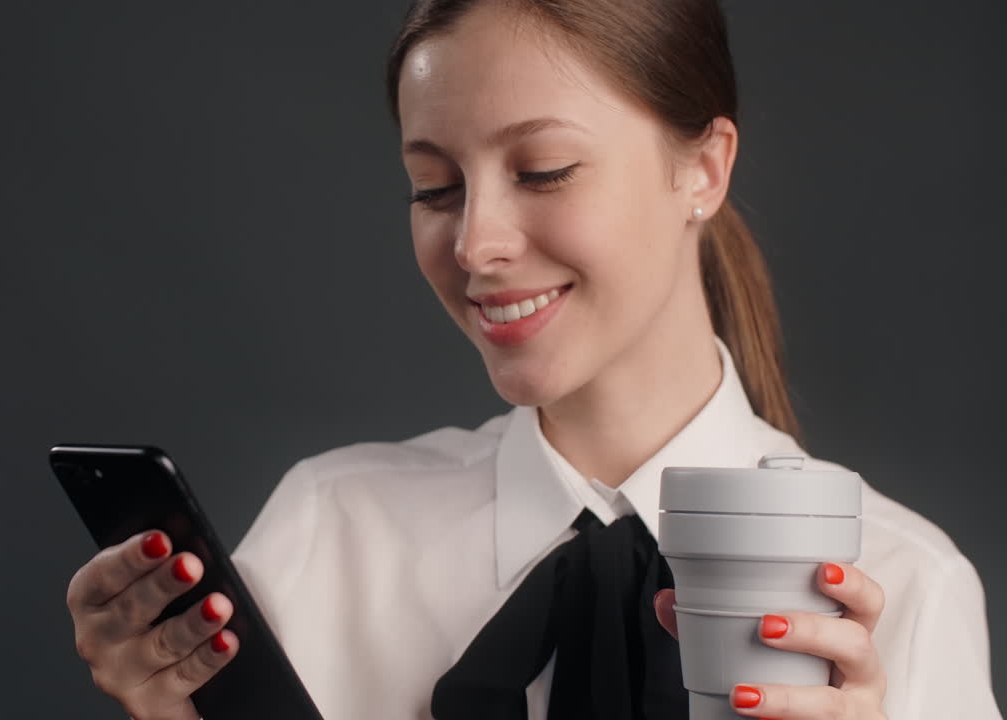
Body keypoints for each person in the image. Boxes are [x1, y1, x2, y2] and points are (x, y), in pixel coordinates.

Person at [64, 1, 1002, 718]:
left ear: (703, 170)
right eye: (434, 187)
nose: (476, 244)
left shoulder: (901, 582)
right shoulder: (331, 534)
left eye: (544, 169)